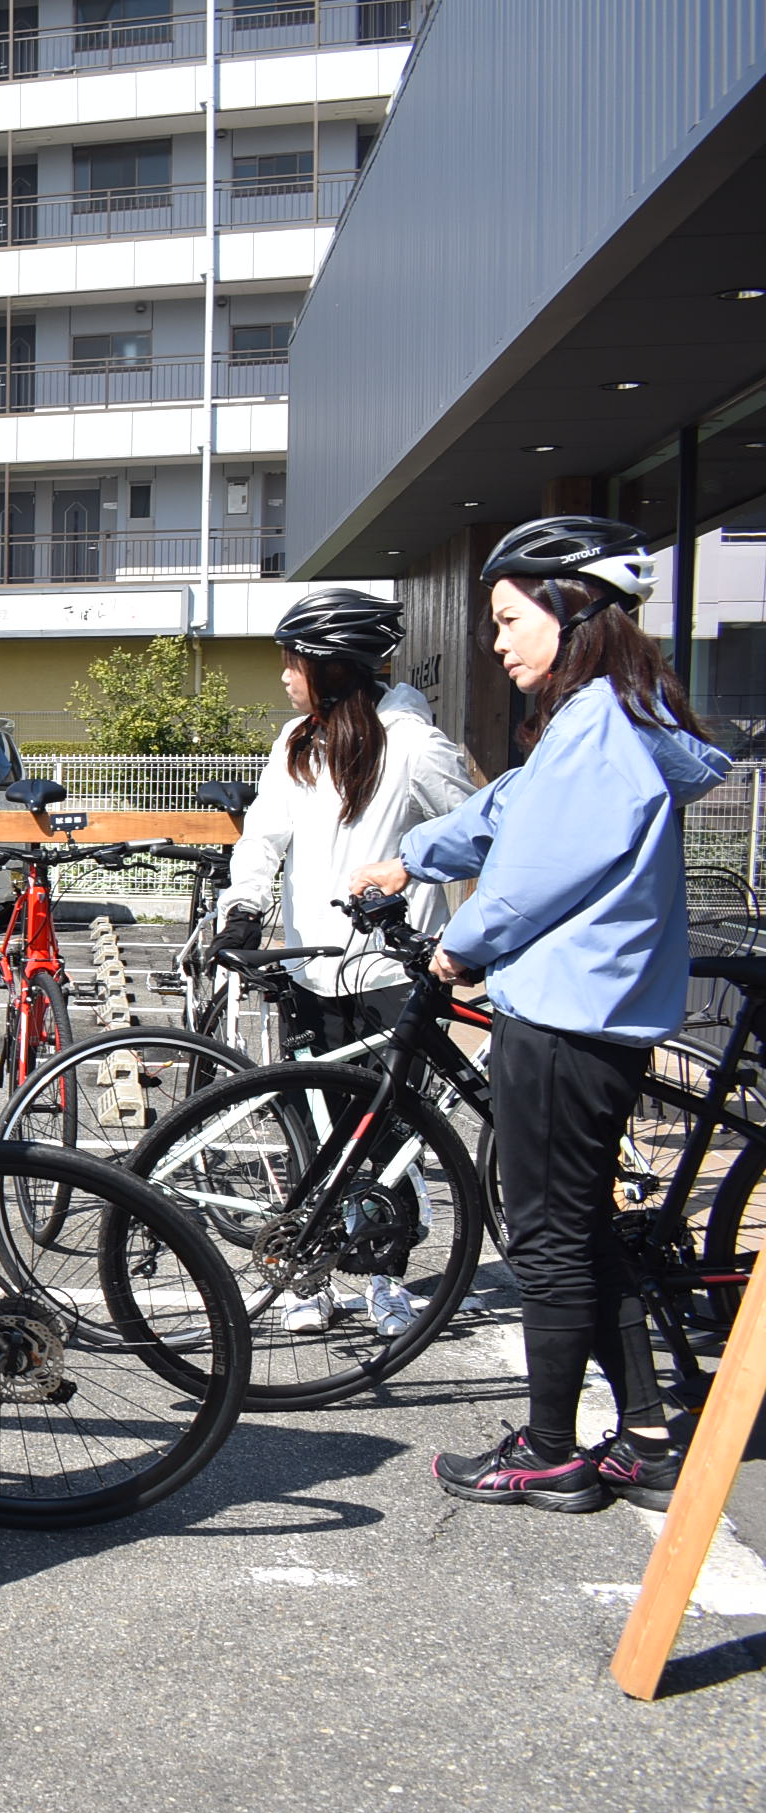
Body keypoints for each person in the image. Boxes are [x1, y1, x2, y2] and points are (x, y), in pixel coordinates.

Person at [350, 516, 733, 1515]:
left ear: (572, 610)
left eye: (511, 617)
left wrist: (459, 943)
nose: (498, 639)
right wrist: (413, 857)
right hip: (587, 1006)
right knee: (577, 1226)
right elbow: (507, 810)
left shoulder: (598, 727)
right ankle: (644, 1439)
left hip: (569, 1011)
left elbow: (536, 866)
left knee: (549, 1238)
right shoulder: (600, 719)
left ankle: (552, 1448)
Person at [215, 588, 476, 1344]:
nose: (286, 676)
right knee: (310, 1130)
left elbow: (473, 839)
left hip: (391, 975)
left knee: (387, 1134)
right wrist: (244, 908)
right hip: (309, 969)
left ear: (333, 666)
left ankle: (388, 1277)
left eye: (294, 662)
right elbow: (263, 837)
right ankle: (314, 1276)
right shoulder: (297, 740)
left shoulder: (416, 745)